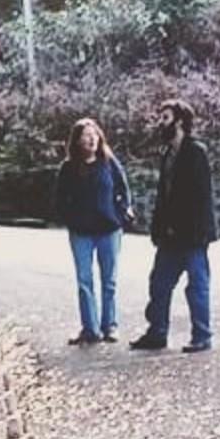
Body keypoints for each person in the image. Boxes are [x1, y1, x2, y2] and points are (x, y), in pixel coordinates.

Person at [131, 99, 217, 354]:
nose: (161, 122)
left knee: (197, 286)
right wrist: (158, 230)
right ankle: (157, 332)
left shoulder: (196, 152)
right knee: (158, 283)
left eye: (166, 117)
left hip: (192, 236)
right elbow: (164, 197)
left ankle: (202, 336)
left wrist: (196, 233)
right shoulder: (167, 153)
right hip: (169, 237)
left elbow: (201, 197)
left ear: (180, 121)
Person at [54, 117, 134, 346]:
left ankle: (110, 325)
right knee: (84, 281)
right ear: (77, 141)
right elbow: (60, 199)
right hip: (81, 232)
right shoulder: (69, 168)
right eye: (86, 135)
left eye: (95, 134)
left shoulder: (109, 163)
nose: (92, 139)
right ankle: (90, 328)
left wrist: (120, 214)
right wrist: (70, 218)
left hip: (109, 229)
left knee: (109, 281)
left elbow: (123, 190)